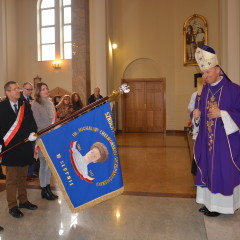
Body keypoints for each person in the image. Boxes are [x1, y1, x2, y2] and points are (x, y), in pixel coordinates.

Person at [192, 45, 240, 217]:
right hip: (207, 139)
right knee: (207, 169)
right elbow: (198, 111)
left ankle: (221, 207)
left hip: (225, 143)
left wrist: (223, 114)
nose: (204, 77)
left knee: (222, 172)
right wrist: (196, 115)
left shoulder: (234, 89)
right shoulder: (204, 90)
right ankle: (209, 203)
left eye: (207, 72)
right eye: (203, 73)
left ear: (218, 69)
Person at [0, 81, 38, 218]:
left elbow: (32, 122)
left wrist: (33, 132)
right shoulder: (1, 107)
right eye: (14, 89)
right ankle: (12, 206)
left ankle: (23, 201)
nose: (18, 91)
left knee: (23, 177)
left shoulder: (25, 106)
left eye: (18, 89)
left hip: (25, 146)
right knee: (11, 179)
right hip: (10, 149)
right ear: (7, 92)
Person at [31, 82, 58, 200]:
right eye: (43, 89)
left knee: (49, 165)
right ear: (38, 91)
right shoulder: (35, 104)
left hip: (51, 136)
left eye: (46, 88)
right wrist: (50, 126)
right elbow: (36, 122)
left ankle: (47, 188)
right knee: (43, 165)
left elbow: (54, 119)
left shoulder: (50, 103)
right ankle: (44, 188)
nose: (46, 91)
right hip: (42, 137)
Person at [20, 82, 36, 181]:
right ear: (23, 89)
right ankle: (25, 173)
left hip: (32, 130)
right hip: (23, 131)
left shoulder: (31, 99)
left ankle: (31, 172)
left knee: (32, 151)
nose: (30, 91)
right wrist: (29, 106)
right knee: (25, 152)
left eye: (31, 90)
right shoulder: (20, 99)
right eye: (28, 89)